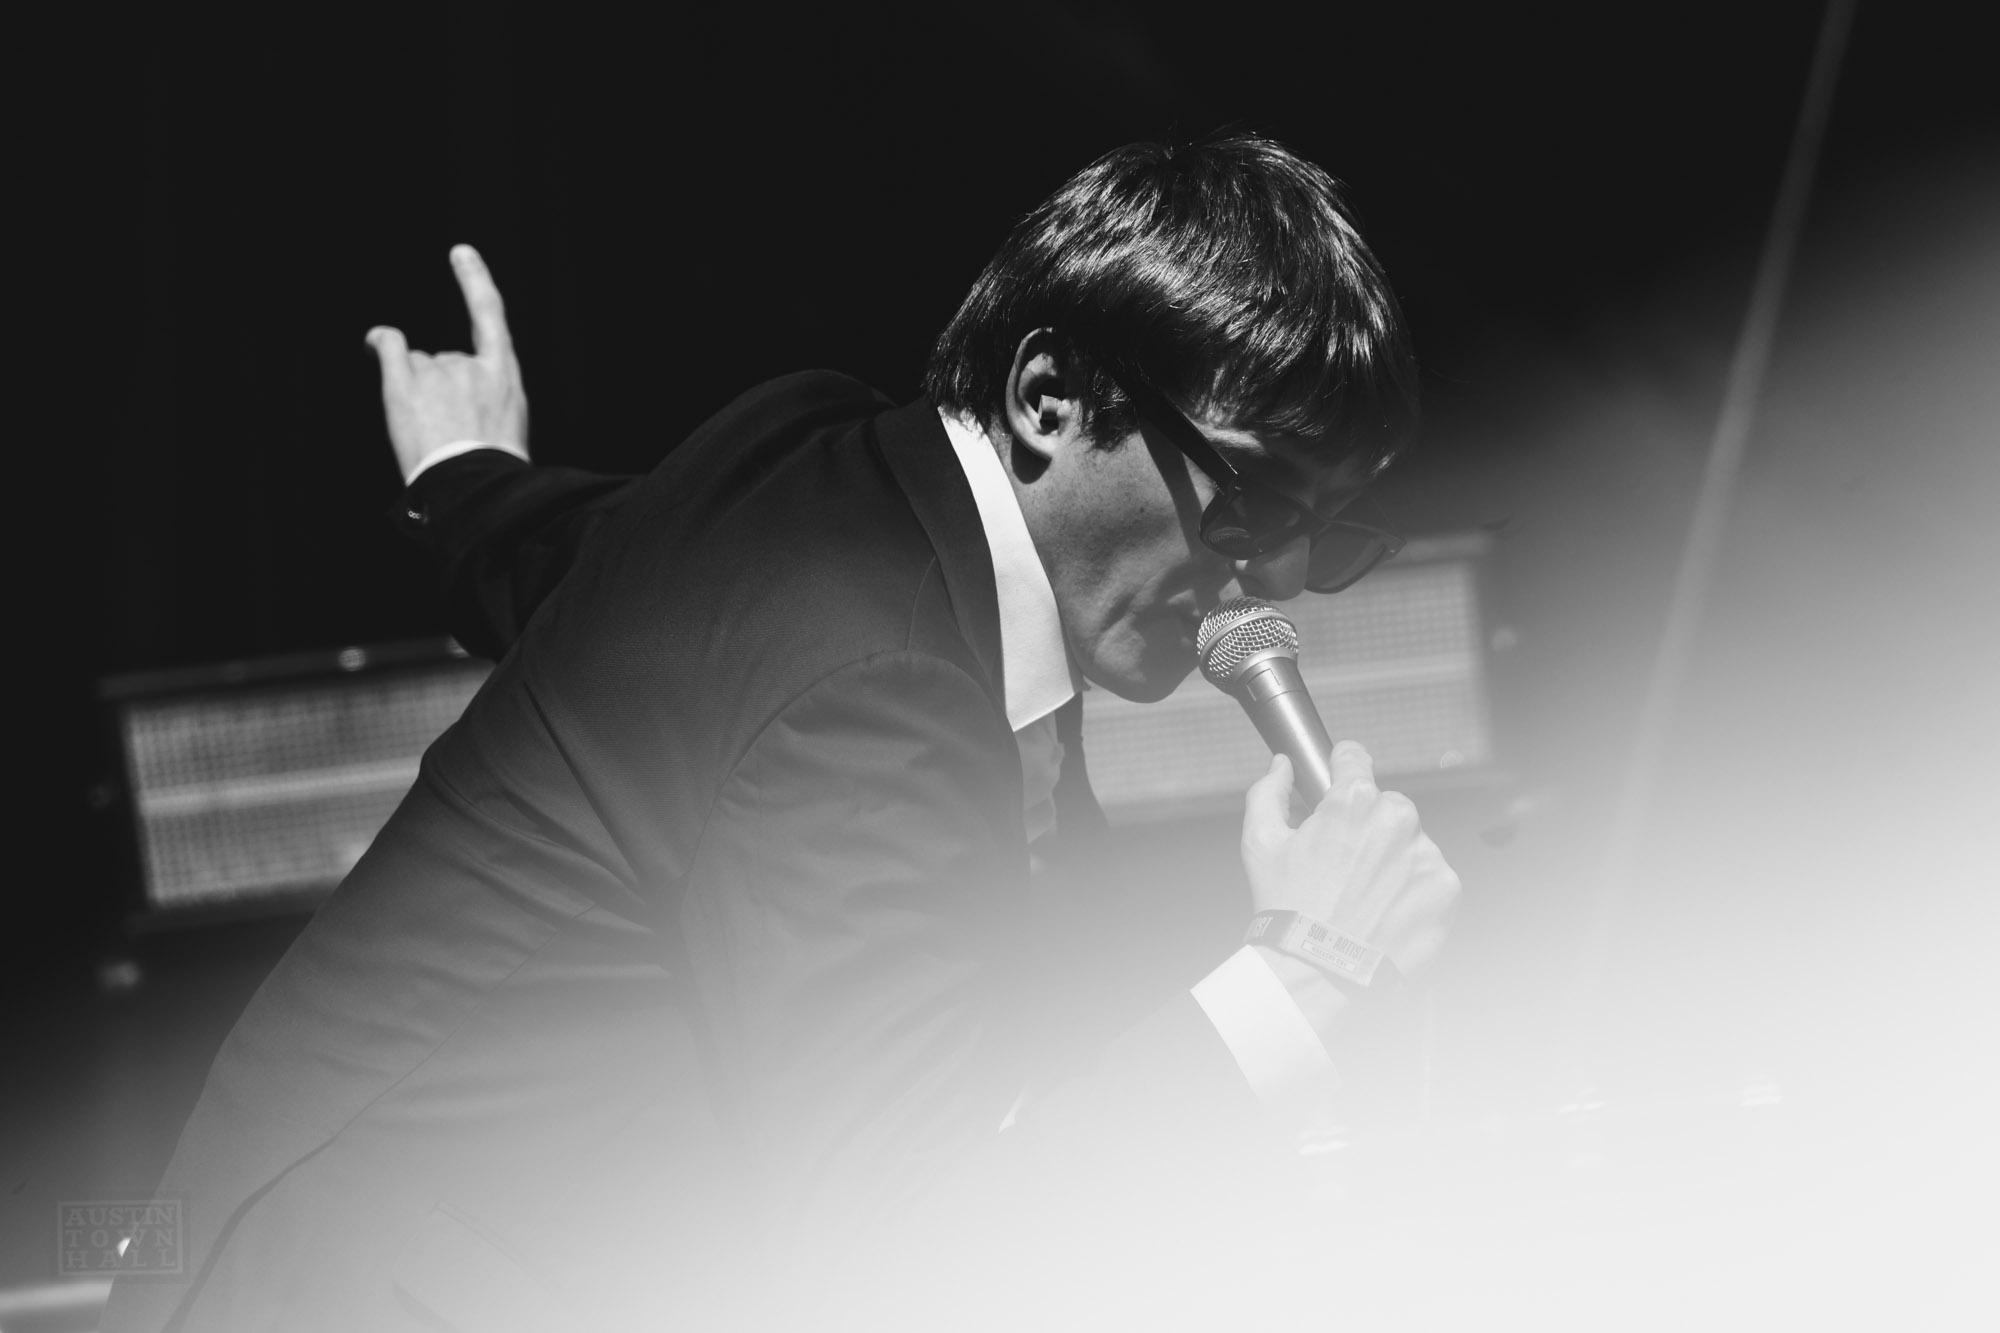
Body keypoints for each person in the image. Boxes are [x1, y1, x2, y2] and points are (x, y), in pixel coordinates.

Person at [104, 135, 1460, 1333]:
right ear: (1050, 395)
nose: (1280, 575)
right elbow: (905, 1259)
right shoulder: (878, 685)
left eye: (1321, 535)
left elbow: (581, 559)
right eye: (1250, 501)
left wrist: (466, 484)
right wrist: (1302, 977)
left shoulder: (819, 463)